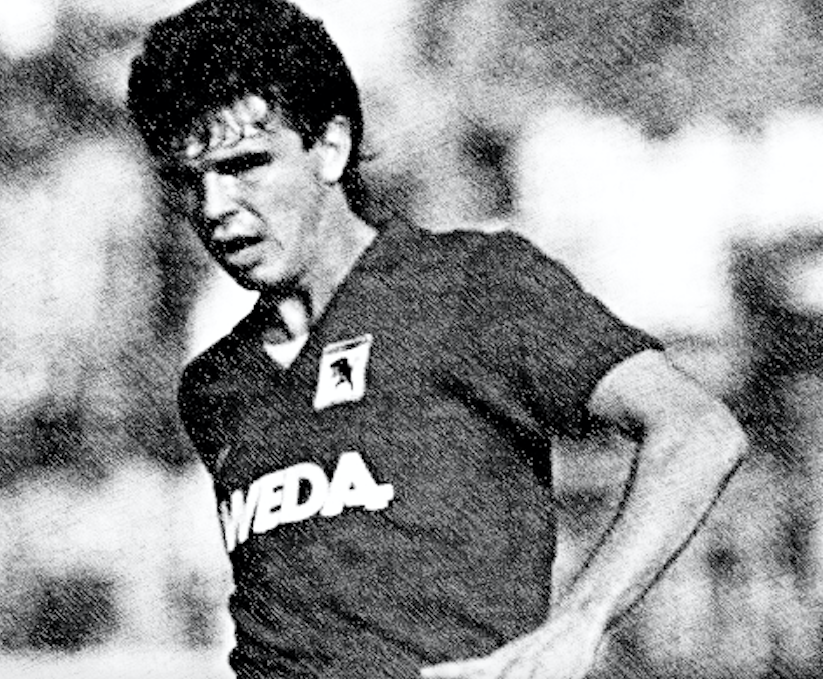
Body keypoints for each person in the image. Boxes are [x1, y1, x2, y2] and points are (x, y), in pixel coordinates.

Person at [126, 1, 747, 677]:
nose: (215, 207)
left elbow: (699, 430)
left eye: (247, 164)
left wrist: (579, 621)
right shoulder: (216, 383)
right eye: (189, 180)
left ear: (330, 147)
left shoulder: (471, 283)